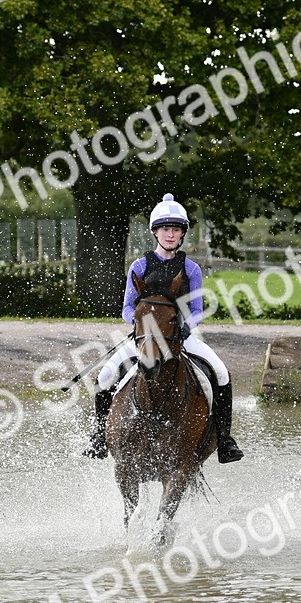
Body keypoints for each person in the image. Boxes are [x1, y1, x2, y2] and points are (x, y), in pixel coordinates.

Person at [83, 193, 244, 463]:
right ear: (155, 232)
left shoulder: (191, 269)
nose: (171, 234)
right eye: (165, 229)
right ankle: (99, 435)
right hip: (144, 338)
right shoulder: (140, 266)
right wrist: (141, 326)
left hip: (181, 336)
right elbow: (126, 308)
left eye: (176, 229)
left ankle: (225, 439)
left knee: (220, 372)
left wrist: (182, 329)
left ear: (182, 234)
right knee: (105, 376)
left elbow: (196, 311)